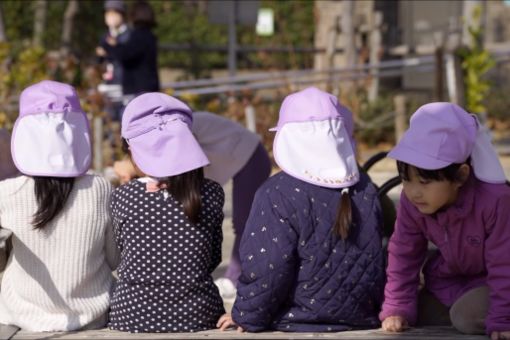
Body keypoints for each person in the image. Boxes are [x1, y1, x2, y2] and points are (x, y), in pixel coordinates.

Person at [217, 87, 386, 332]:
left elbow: (268, 266)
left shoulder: (277, 192)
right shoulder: (365, 187)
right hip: (362, 317)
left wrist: (246, 315)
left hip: (296, 319)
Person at [379, 103, 510, 339]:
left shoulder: (495, 202)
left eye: (425, 182)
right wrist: (398, 307)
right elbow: (403, 252)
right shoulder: (414, 203)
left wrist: (502, 318)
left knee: (465, 317)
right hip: (449, 282)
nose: (413, 192)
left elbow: (504, 263)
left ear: (460, 176)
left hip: (495, 282)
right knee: (414, 313)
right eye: (406, 180)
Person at [0, 80, 119, 332]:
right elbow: (114, 258)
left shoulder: (7, 193)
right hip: (92, 315)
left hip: (21, 314)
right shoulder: (100, 187)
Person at [108, 93, 225, 333]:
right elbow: (213, 258)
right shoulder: (212, 193)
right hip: (198, 314)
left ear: (133, 151)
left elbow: (122, 255)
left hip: (131, 315)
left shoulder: (122, 195)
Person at [100, 0, 159, 103]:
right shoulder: (148, 35)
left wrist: (110, 46)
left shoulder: (138, 35)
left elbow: (125, 54)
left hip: (138, 88)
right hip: (143, 87)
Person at [96, 0, 132, 121]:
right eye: (107, 14)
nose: (110, 17)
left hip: (125, 84)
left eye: (113, 14)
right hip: (108, 84)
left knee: (126, 117)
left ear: (122, 15)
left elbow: (128, 57)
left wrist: (112, 49)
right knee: (108, 118)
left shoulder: (130, 35)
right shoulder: (105, 36)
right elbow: (99, 62)